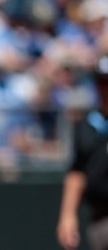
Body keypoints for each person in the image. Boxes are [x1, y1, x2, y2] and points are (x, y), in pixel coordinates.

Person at [57, 54, 108, 250]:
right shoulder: (87, 124)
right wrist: (68, 216)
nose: (106, 89)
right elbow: (76, 172)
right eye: (102, 82)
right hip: (99, 218)